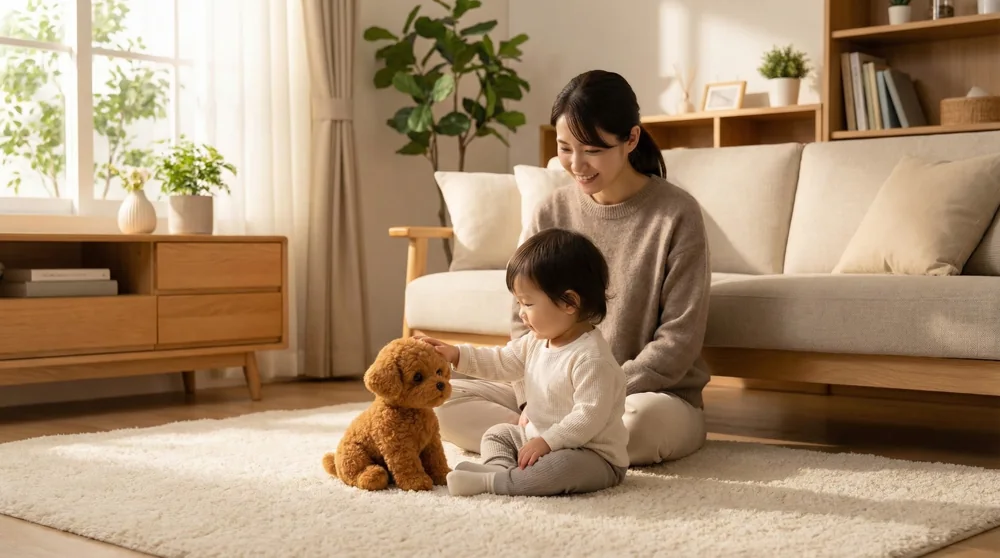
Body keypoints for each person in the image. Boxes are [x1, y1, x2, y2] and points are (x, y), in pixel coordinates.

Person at [435, 69, 712, 467]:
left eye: (592, 150)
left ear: (631, 139)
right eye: (565, 148)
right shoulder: (552, 210)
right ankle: (549, 442)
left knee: (640, 426)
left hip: (643, 396)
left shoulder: (677, 214)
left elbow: (678, 342)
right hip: (547, 391)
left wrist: (598, 394)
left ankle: (540, 441)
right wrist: (530, 399)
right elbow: (523, 318)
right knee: (439, 400)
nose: (576, 164)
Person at [418, 227, 628, 497]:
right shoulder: (536, 341)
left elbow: (587, 419)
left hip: (590, 454)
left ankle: (497, 483)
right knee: (497, 434)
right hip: (537, 438)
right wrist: (457, 354)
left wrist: (548, 442)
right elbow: (501, 361)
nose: (521, 313)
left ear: (569, 302)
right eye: (519, 303)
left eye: (527, 304)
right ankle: (498, 468)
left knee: (559, 468)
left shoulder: (592, 359)